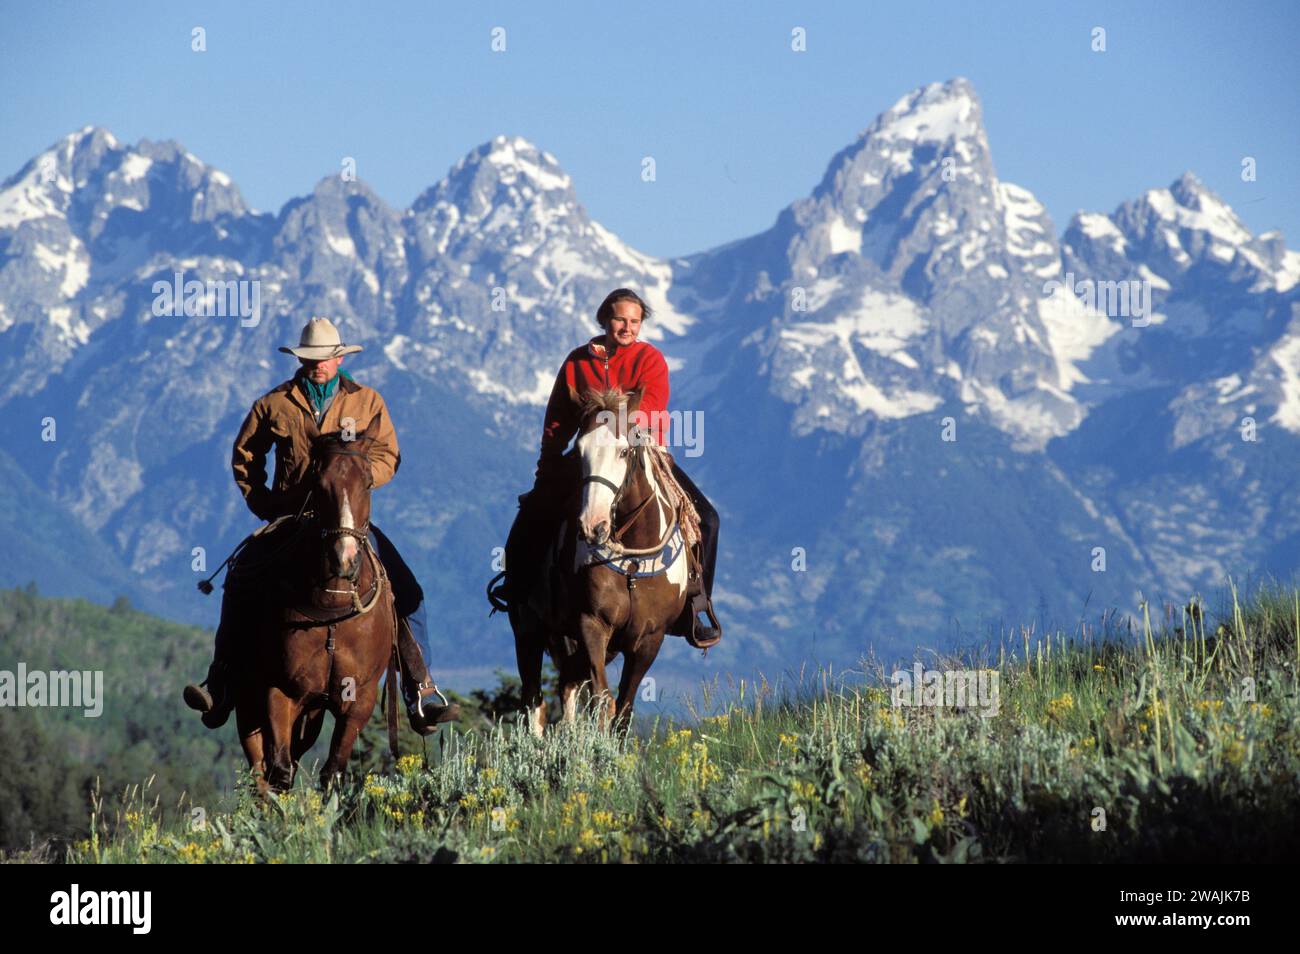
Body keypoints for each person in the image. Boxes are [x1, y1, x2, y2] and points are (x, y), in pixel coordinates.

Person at [183, 317, 459, 734]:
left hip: (347, 521)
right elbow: (245, 457)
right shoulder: (273, 404)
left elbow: (389, 455)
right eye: (310, 359)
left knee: (406, 589)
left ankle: (420, 690)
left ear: (340, 358)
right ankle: (221, 681)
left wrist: (358, 483)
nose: (318, 366)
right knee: (240, 580)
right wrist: (265, 505)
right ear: (300, 360)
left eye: (325, 359)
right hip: (290, 518)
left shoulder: (367, 402)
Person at [493, 288, 721, 647]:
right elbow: (557, 420)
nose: (627, 328)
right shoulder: (576, 362)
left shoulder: (650, 359)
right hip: (589, 457)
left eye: (635, 321)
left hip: (642, 452)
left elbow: (653, 410)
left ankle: (696, 603)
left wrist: (613, 431)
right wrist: (548, 467)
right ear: (605, 320)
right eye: (620, 319)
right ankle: (518, 587)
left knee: (707, 519)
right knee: (533, 511)